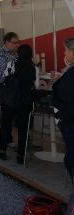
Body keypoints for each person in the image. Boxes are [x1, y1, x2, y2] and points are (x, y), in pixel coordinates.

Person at [0, 44, 37, 165]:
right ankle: (21, 155)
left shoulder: (11, 63)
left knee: (5, 125)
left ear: (18, 53)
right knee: (23, 128)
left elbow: (4, 78)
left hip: (9, 100)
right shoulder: (32, 67)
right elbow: (35, 85)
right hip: (24, 101)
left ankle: (2, 151)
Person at [53, 38, 74, 211]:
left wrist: (60, 116)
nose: (64, 54)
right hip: (68, 122)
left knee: (71, 158)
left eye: (66, 51)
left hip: (70, 123)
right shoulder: (71, 71)